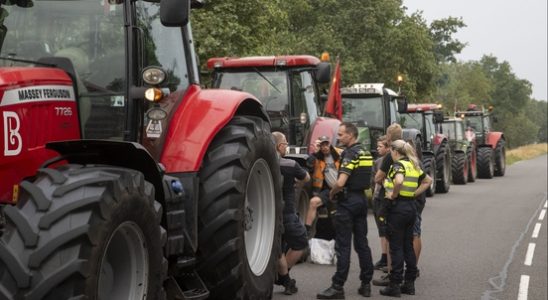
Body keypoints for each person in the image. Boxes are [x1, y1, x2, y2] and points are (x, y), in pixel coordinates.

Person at [317, 122, 375, 299]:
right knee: (362, 244)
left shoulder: (350, 154)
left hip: (347, 202)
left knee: (343, 246)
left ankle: (337, 287)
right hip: (361, 201)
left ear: (351, 135)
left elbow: (340, 182)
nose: (339, 138)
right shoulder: (366, 152)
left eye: (341, 135)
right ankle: (366, 284)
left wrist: (332, 194)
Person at [380, 140, 432, 297]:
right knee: (408, 246)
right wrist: (414, 193)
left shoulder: (398, 165)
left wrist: (394, 195)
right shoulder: (413, 165)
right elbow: (428, 181)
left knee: (395, 247)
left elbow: (399, 181)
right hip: (411, 208)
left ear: (395, 152)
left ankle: (394, 285)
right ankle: (409, 284)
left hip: (398, 208)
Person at [272, 131, 310, 295]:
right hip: (287, 213)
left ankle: (284, 279)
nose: (286, 146)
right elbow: (307, 178)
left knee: (279, 249)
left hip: (270, 214)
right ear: (279, 146)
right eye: (286, 144)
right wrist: (295, 180)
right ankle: (284, 277)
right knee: (301, 242)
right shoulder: (290, 165)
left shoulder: (264, 164)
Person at [305, 135, 342, 237]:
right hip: (328, 190)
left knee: (338, 216)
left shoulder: (340, 153)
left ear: (330, 144)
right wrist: (315, 151)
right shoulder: (317, 157)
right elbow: (308, 165)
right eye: (322, 145)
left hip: (342, 188)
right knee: (313, 202)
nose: (324, 147)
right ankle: (306, 230)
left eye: (326, 144)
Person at [371, 136, 390, 270]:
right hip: (377, 197)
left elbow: (379, 179)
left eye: (380, 146)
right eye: (377, 146)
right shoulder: (377, 161)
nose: (378, 149)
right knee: (381, 231)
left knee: (386, 229)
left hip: (385, 198)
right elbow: (373, 180)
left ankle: (387, 259)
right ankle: (384, 256)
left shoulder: (390, 161)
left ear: (388, 148)